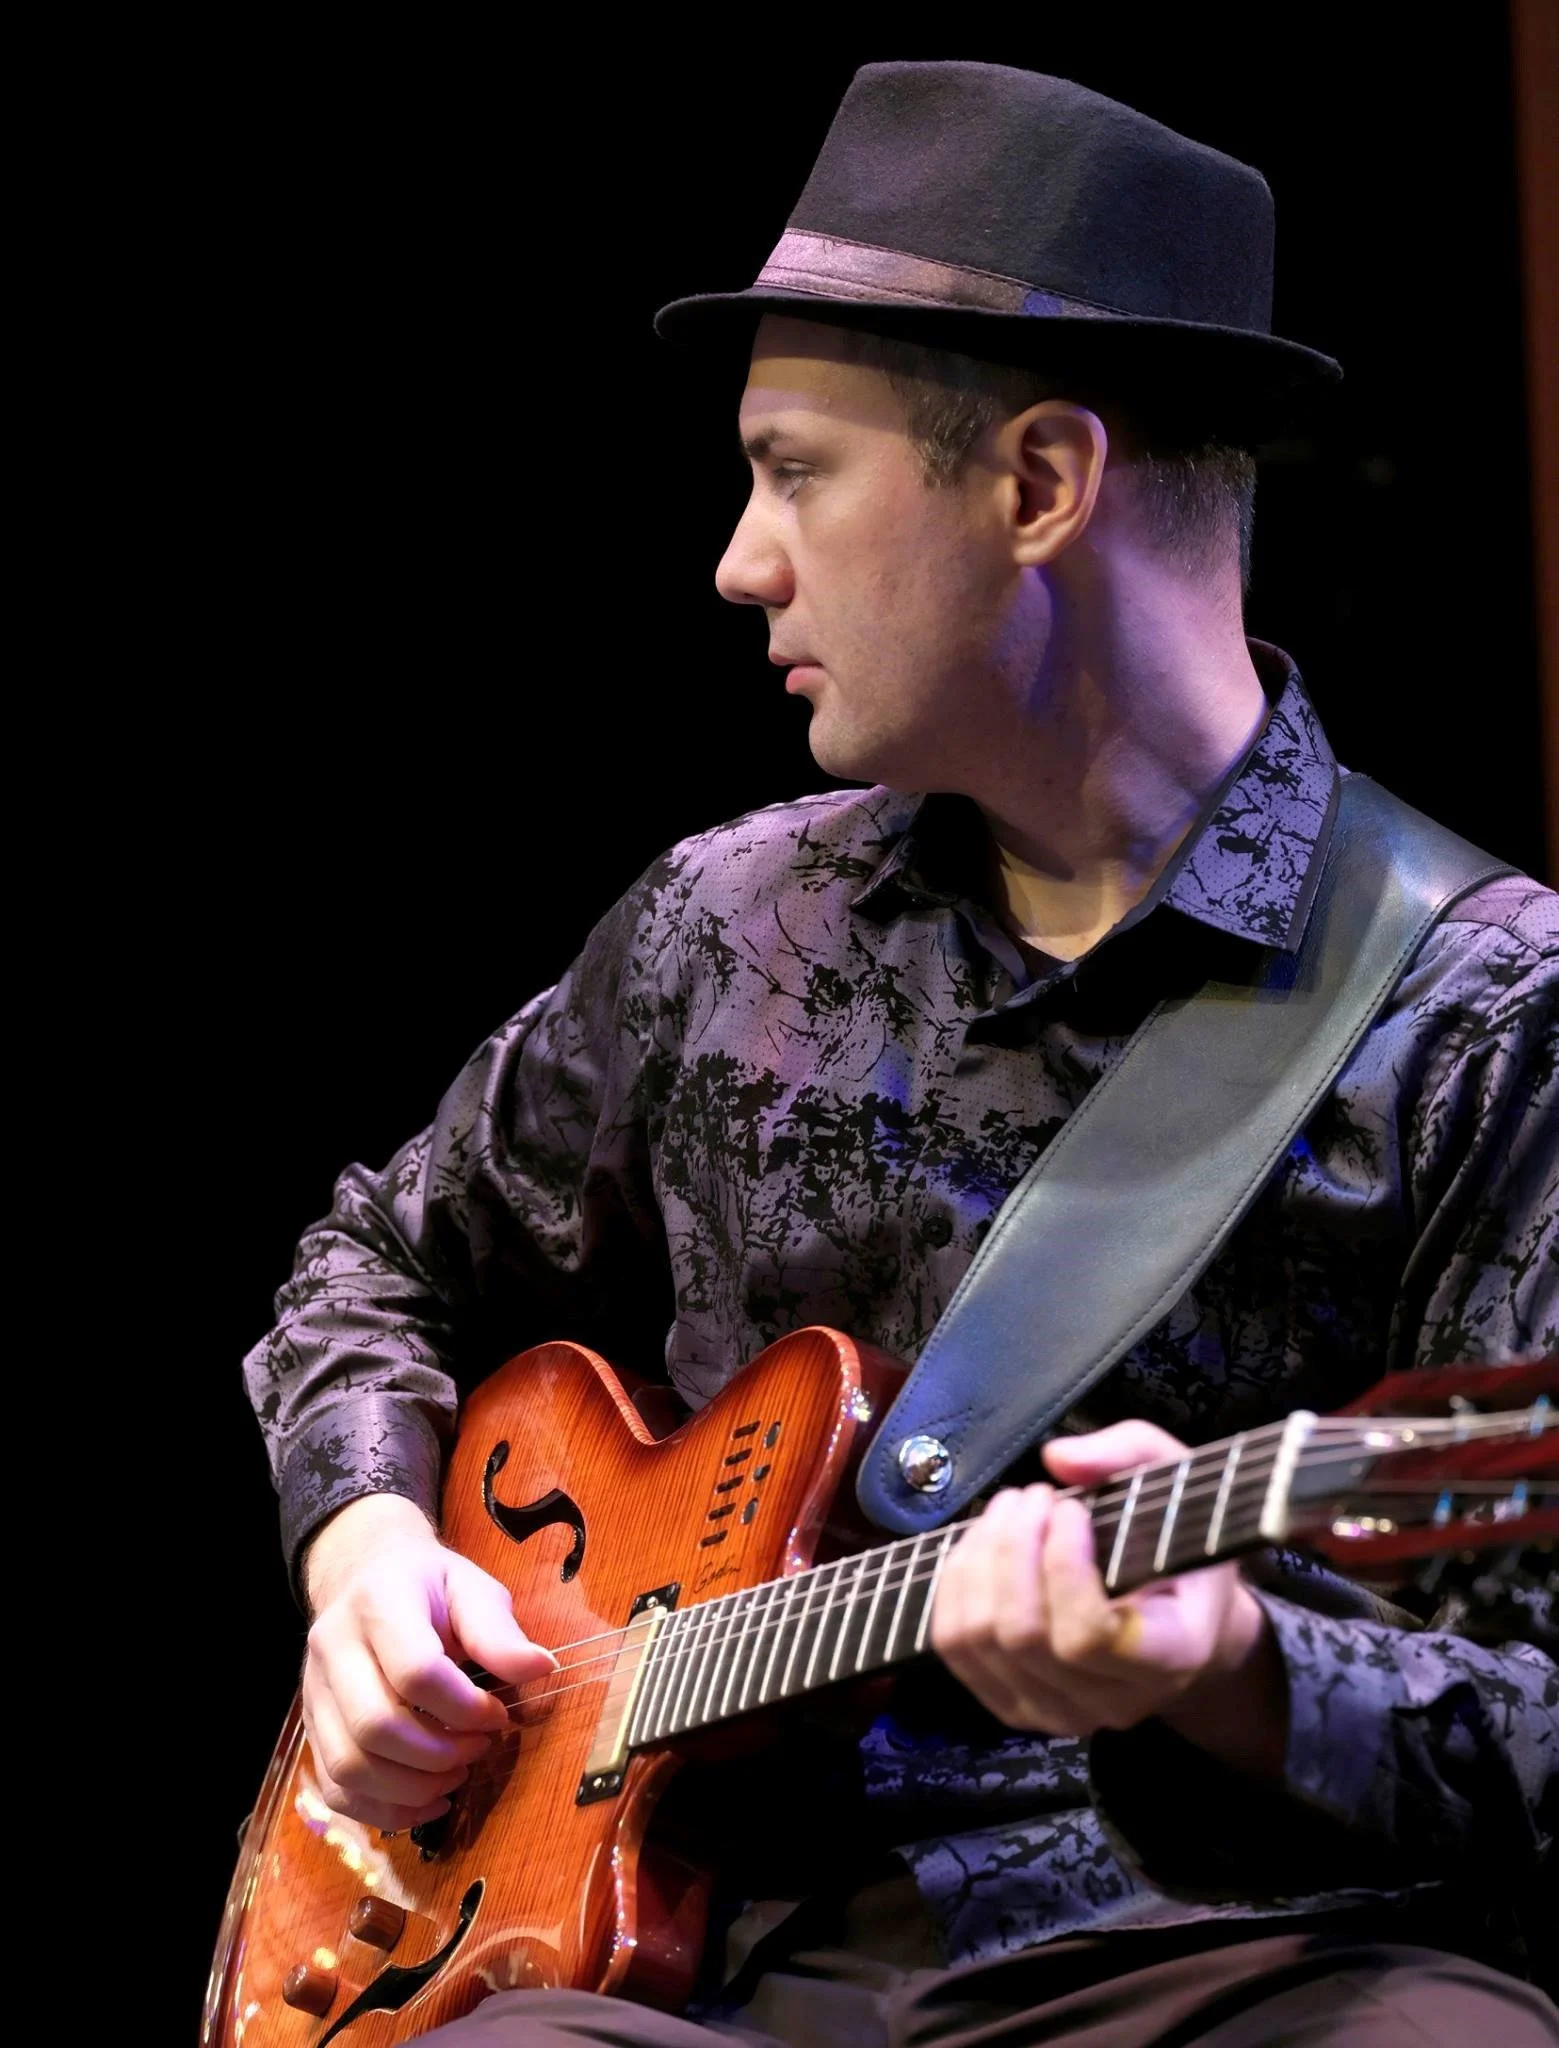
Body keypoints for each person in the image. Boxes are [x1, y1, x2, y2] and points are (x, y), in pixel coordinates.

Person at [242, 62, 1559, 2047]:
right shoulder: (727, 922)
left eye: (792, 471)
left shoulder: (1485, 1017)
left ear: (1036, 485)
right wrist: (362, 1563)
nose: (737, 561)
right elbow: (371, 1266)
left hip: (1213, 1962)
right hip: (704, 1954)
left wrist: (1228, 1661)